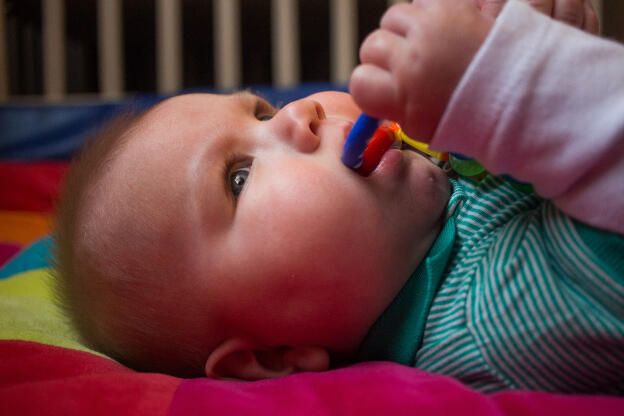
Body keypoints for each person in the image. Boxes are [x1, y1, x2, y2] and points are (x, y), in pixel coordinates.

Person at [52, 0, 624, 393]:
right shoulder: (495, 317)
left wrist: (539, 34)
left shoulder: (434, 197)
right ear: (273, 356)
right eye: (239, 178)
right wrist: (518, 83)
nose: (300, 113)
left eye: (263, 110)